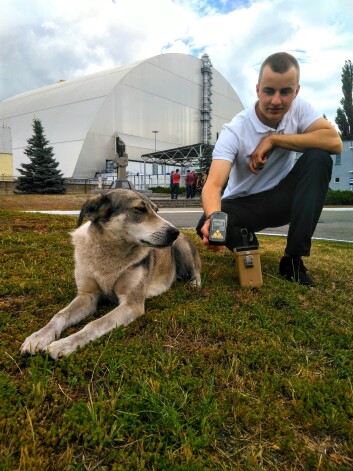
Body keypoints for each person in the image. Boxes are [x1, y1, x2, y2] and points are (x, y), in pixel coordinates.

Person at [196, 52, 342, 287]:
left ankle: (293, 260)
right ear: (257, 90)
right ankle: (247, 242)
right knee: (207, 221)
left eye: (285, 92)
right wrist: (214, 220)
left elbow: (334, 142)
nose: (276, 101)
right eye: (268, 91)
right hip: (244, 205)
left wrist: (275, 140)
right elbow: (213, 184)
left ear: (296, 92)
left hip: (282, 199)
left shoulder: (299, 109)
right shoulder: (235, 130)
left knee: (319, 157)